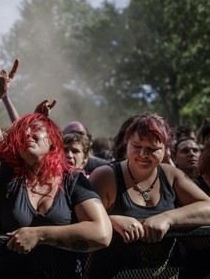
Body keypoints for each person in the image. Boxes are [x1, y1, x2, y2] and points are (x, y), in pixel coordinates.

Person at [0, 56, 112, 279]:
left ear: (52, 141)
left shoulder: (72, 180)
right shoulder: (6, 177)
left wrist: (39, 235)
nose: (28, 134)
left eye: (36, 129)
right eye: (22, 133)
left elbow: (102, 233)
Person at [88, 113, 210, 278]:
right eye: (136, 146)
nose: (143, 153)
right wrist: (112, 221)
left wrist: (168, 218)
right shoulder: (105, 176)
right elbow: (80, 220)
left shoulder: (170, 175)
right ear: (127, 143)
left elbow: (207, 207)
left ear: (166, 150)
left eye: (152, 149)